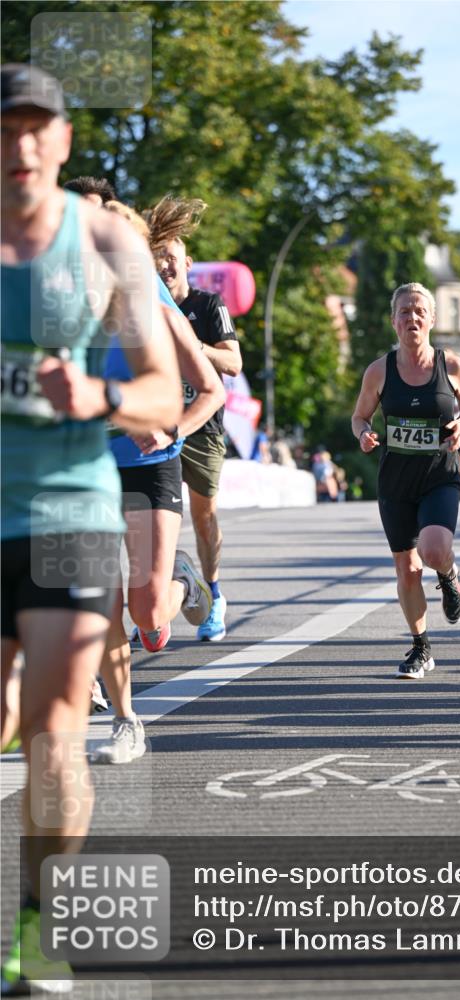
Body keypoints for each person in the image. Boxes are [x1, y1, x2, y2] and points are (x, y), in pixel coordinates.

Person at [0, 64, 181, 994]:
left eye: (38, 127)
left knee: (56, 729)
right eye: (5, 128)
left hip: (70, 503)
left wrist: (104, 393)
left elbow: (165, 388)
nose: (21, 144)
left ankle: (41, 929)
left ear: (64, 141)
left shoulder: (108, 239)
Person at [91, 199, 224, 765]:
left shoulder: (158, 308)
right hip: (86, 469)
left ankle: (186, 585)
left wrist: (170, 426)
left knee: (147, 612)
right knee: (98, 598)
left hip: (149, 466)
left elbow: (212, 388)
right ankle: (126, 720)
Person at [351, 282, 460, 680]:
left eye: (420, 311)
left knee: (435, 549)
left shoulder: (451, 366)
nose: (412, 318)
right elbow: (359, 417)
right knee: (407, 570)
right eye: (404, 312)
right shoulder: (379, 371)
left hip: (438, 476)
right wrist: (363, 434)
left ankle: (450, 576)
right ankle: (421, 648)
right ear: (393, 321)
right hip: (395, 483)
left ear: (432, 319)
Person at [153, 224, 242, 641]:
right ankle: (156, 601)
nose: (164, 263)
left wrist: (193, 345)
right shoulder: (144, 305)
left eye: (171, 255)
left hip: (202, 427)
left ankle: (215, 593)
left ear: (187, 263)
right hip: (158, 425)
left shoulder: (207, 306)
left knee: (203, 517)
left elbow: (234, 363)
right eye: (157, 256)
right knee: (151, 519)